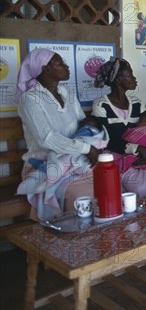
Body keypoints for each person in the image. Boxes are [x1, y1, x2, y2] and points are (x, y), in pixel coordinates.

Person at [15, 48, 101, 220]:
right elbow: (47, 138)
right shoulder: (30, 100)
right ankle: (74, 241)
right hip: (45, 166)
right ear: (45, 69)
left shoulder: (67, 94)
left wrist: (91, 138)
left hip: (76, 161)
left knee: (110, 184)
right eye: (60, 63)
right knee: (83, 196)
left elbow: (83, 127)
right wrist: (86, 148)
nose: (66, 66)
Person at [92, 57, 146, 197]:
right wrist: (137, 149)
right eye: (130, 74)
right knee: (141, 186)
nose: (134, 78)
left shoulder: (136, 103)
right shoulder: (101, 104)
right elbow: (108, 140)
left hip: (143, 154)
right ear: (119, 79)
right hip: (116, 157)